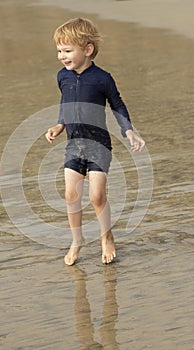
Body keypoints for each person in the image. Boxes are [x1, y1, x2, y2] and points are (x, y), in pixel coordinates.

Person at [45, 18, 145, 266]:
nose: (61, 56)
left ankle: (106, 236)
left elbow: (118, 105)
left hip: (98, 145)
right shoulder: (62, 77)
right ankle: (77, 240)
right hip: (73, 144)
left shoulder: (102, 78)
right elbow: (66, 103)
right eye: (59, 51)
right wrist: (60, 125)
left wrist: (129, 131)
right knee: (71, 196)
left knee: (97, 197)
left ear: (87, 50)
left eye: (68, 51)